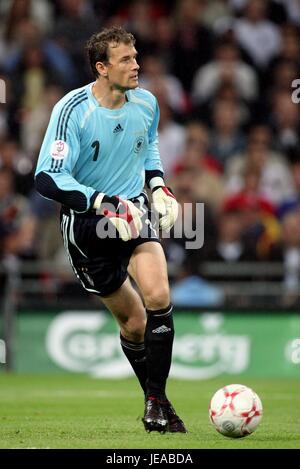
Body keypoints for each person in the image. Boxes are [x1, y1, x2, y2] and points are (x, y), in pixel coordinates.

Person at [34, 26, 187, 434]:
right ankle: (158, 398)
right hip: (87, 226)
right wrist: (102, 201)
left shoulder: (147, 103)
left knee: (158, 295)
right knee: (134, 324)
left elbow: (147, 146)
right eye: (126, 60)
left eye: (136, 57)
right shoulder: (72, 110)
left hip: (133, 212)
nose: (136, 66)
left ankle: (154, 402)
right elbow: (48, 178)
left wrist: (157, 186)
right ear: (102, 68)